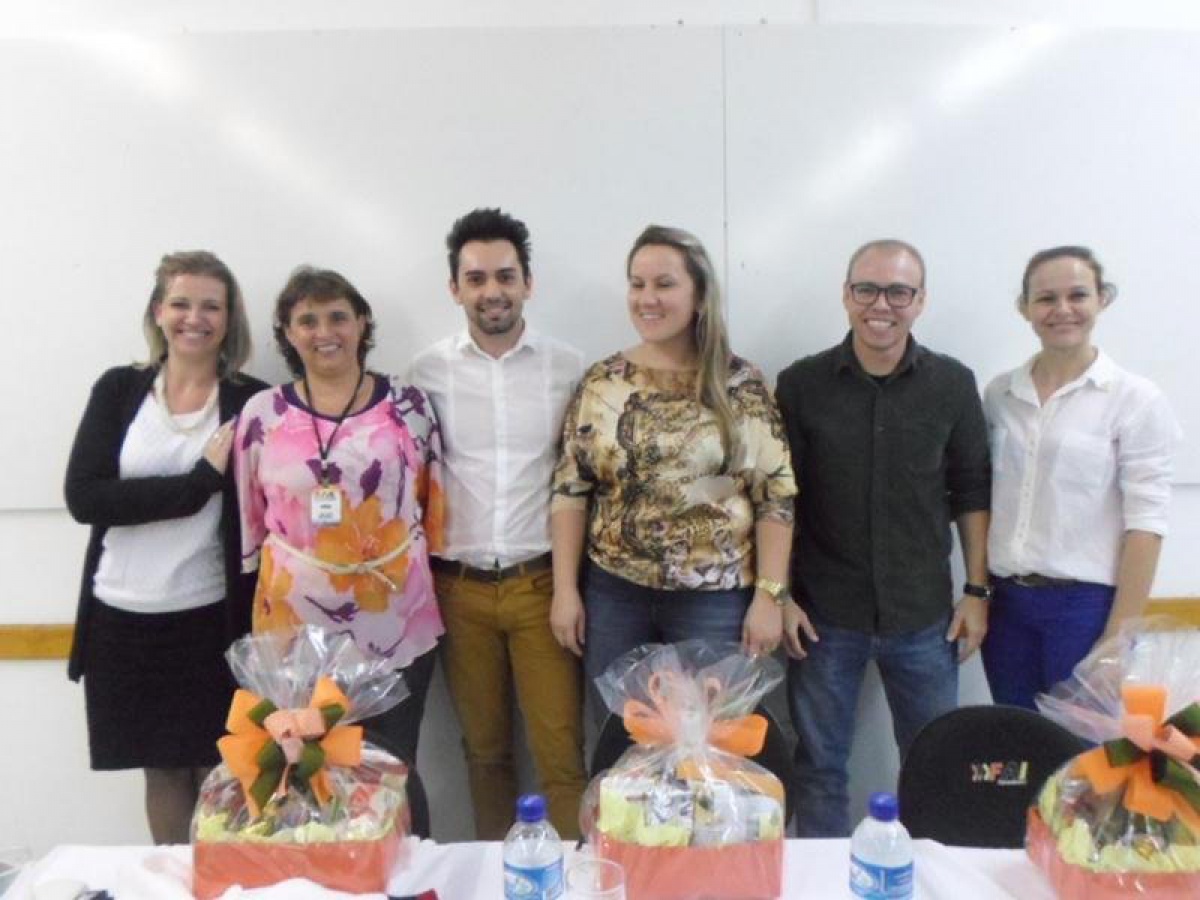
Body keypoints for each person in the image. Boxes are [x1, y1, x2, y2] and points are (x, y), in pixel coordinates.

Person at [775, 239, 991, 837]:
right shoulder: (801, 384)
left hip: (924, 619)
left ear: (920, 301)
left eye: (899, 291)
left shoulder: (952, 384)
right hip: (823, 618)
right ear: (846, 295)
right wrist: (780, 595)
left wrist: (977, 590)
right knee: (819, 769)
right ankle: (825, 878)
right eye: (867, 289)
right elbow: (778, 499)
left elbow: (972, 491)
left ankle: (925, 874)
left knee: (933, 767)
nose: (881, 305)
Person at [64, 250, 266, 844]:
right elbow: (85, 497)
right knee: (161, 771)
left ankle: (221, 882)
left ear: (229, 319)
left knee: (220, 770)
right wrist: (197, 484)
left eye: (211, 306)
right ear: (158, 311)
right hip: (121, 620)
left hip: (209, 619)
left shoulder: (250, 402)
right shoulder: (119, 389)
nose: (194, 318)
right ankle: (173, 883)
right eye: (181, 303)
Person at [233, 266, 444, 831]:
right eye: (307, 320)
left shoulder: (409, 405)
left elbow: (431, 501)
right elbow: (250, 520)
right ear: (287, 332)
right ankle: (319, 871)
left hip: (395, 618)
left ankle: (407, 868)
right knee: (303, 765)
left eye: (337, 317)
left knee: (390, 764)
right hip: (292, 627)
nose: (324, 332)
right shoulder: (261, 415)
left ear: (362, 324)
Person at [550, 225, 797, 707]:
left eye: (664, 284)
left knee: (711, 737)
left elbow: (776, 497)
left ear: (699, 295)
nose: (648, 298)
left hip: (714, 600)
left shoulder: (739, 384)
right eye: (637, 284)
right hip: (614, 596)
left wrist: (770, 596)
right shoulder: (602, 383)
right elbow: (570, 489)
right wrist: (564, 591)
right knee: (621, 732)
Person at [410, 208, 587, 840]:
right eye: (476, 278)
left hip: (543, 587)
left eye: (506, 276)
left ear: (528, 283)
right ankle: (498, 874)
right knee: (485, 755)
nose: (493, 291)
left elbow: (581, 480)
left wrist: (568, 588)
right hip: (457, 591)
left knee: (561, 754)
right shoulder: (423, 374)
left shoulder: (570, 368)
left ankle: (570, 875)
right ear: (455, 288)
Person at [981, 246, 1180, 709]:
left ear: (1101, 299)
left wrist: (1117, 640)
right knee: (1016, 742)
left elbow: (1146, 524)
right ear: (1024, 307)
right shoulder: (1000, 394)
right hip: (1007, 606)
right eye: (1046, 298)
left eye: (1078, 295)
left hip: (1086, 608)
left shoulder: (1134, 399)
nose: (1062, 310)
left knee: (1083, 748)